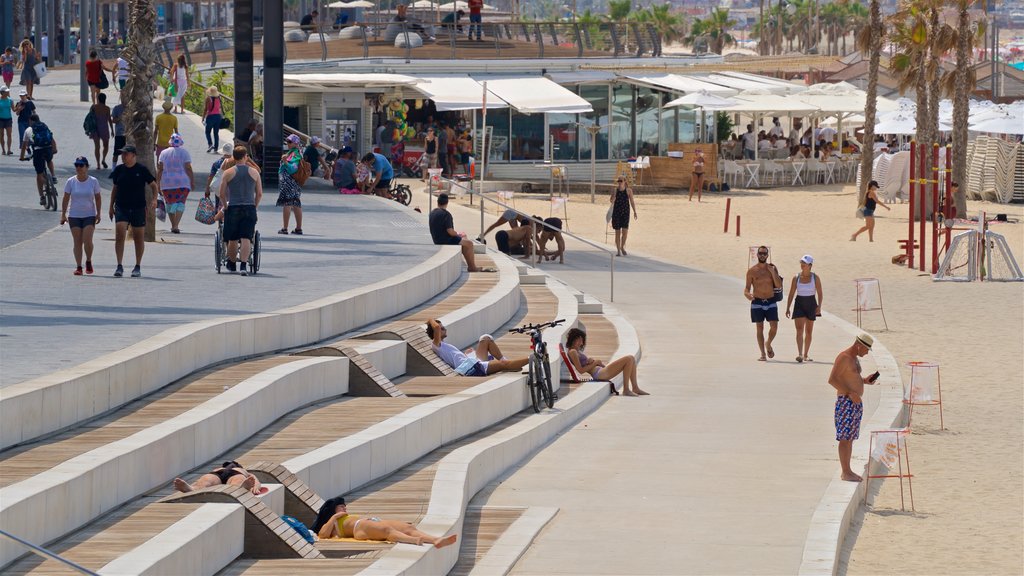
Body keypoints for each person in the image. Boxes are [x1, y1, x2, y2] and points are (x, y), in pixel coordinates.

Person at [828, 333, 878, 482]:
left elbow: (849, 378)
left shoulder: (854, 359)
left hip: (854, 403)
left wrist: (864, 381)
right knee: (845, 438)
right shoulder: (843, 357)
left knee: (850, 438)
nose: (867, 352)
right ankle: (845, 472)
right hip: (846, 402)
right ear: (859, 345)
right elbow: (832, 379)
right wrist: (850, 393)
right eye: (866, 349)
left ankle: (848, 470)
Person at [312, 496, 458, 548]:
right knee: (388, 531)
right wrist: (334, 517)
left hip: (369, 522)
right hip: (360, 528)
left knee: (407, 526)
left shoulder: (346, 516)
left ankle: (436, 540)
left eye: (344, 505)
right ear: (333, 509)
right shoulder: (333, 521)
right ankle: (414, 540)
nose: (344, 507)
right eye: (341, 506)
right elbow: (323, 534)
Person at [108, 145, 158, 277]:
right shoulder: (119, 170)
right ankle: (119, 265)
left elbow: (153, 185)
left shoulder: (141, 170)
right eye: (122, 154)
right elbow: (115, 188)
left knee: (138, 237)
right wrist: (110, 206)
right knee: (119, 234)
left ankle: (137, 266)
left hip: (138, 207)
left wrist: (154, 199)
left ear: (133, 155)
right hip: (121, 207)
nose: (123, 156)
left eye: (126, 154)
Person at [426, 319, 528, 376]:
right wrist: (430, 319)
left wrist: (465, 354)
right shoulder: (436, 345)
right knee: (503, 364)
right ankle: (531, 358)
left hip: (472, 362)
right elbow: (436, 327)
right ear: (436, 333)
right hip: (471, 369)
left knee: (485, 339)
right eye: (442, 328)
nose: (444, 329)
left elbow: (456, 359)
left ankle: (505, 361)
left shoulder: (443, 345)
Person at [218, 146, 263, 275]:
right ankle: (243, 265)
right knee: (246, 237)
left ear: (234, 157)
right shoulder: (254, 172)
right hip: (249, 207)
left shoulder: (228, 172)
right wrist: (255, 206)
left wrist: (225, 206)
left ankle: (232, 263)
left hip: (233, 207)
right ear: (245, 157)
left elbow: (222, 193)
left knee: (232, 238)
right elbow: (259, 193)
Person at [564, 327, 646, 396]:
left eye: (582, 340)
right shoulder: (572, 352)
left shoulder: (576, 351)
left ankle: (635, 388)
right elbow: (581, 370)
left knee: (631, 359)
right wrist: (595, 363)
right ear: (573, 339)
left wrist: (590, 361)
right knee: (629, 358)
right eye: (579, 340)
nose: (581, 343)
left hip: (600, 371)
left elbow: (583, 365)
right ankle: (626, 389)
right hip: (599, 374)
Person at [60, 156, 102, 275]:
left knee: (87, 240)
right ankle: (79, 266)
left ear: (87, 167)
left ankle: (88, 260)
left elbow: (98, 198)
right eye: (77, 165)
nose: (78, 168)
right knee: (77, 241)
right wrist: (63, 214)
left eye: (81, 165)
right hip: (74, 215)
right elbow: (66, 198)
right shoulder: (71, 181)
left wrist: (98, 213)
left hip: (89, 215)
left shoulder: (93, 181)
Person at [744, 245, 783, 362]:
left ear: (767, 255)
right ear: (757, 255)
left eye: (764, 253)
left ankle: (768, 343)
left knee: (774, 327)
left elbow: (778, 285)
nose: (762, 255)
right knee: (759, 328)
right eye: (760, 253)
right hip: (757, 301)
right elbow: (746, 288)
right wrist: (747, 294)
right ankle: (762, 354)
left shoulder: (772, 268)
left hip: (771, 300)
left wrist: (772, 272)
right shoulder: (751, 271)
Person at [785, 254, 823, 363]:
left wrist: (819, 307)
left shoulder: (815, 278)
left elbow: (820, 293)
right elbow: (791, 293)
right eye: (801, 262)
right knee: (799, 330)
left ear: (810, 265)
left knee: (809, 331)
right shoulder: (796, 277)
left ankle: (806, 354)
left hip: (811, 303)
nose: (802, 265)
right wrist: (788, 307)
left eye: (804, 263)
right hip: (799, 303)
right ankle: (800, 354)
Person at [429, 193, 481, 272]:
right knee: (469, 243)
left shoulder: (432, 213)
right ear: (447, 203)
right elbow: (450, 231)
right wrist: (458, 234)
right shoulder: (446, 214)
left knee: (464, 239)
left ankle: (471, 266)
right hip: (445, 240)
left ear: (438, 202)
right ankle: (472, 267)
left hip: (436, 239)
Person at [157, 133, 194, 234]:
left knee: (170, 204)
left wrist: (157, 182)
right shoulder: (185, 152)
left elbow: (160, 168)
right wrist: (192, 180)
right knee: (180, 204)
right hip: (183, 182)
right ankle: (176, 225)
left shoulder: (163, 153)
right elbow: (188, 167)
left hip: (167, 182)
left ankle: (173, 225)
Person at [21, 114, 57, 206]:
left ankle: (42, 197)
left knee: (39, 174)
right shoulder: (44, 126)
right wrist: (54, 149)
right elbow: (51, 138)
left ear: (30, 121)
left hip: (38, 151)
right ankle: (53, 177)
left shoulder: (28, 130)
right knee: (49, 160)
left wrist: (22, 157)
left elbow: (24, 145)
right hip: (48, 148)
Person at [173, 461, 262, 495]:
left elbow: (254, 479)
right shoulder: (241, 470)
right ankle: (192, 489)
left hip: (223, 473)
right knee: (207, 480)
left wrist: (255, 486)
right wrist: (255, 486)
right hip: (219, 474)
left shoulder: (242, 470)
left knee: (206, 480)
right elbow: (255, 479)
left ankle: (240, 487)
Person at [277, 134, 304, 234]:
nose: (287, 143)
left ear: (295, 143)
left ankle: (285, 228)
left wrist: (285, 161)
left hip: (289, 181)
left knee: (287, 203)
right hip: (293, 182)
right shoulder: (294, 152)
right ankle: (298, 228)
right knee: (296, 203)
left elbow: (293, 168)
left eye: (289, 142)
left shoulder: (295, 154)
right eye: (287, 141)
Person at [609, 176, 637, 257]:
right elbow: (611, 200)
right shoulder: (615, 190)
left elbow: (632, 201)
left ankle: (622, 246)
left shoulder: (629, 191)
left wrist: (635, 211)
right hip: (616, 213)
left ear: (625, 181)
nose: (619, 182)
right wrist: (613, 197)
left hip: (625, 213)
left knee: (625, 233)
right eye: (618, 181)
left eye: (621, 181)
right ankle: (618, 251)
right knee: (617, 233)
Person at [88, 91, 113, 169]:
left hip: (95, 129)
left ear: (98, 99)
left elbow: (90, 118)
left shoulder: (93, 107)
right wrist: (112, 130)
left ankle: (98, 164)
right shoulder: (107, 108)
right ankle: (103, 159)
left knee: (97, 147)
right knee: (106, 146)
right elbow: (109, 120)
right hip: (104, 129)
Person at [202, 86, 224, 153]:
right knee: (216, 133)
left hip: (210, 116)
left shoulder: (208, 98)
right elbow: (219, 108)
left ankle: (210, 144)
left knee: (207, 132)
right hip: (218, 117)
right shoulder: (219, 98)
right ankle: (216, 148)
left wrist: (203, 118)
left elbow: (205, 109)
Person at [110, 95, 125, 167]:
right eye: (122, 97)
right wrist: (120, 117)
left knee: (127, 153)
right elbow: (113, 121)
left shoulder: (131, 108)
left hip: (129, 134)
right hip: (119, 134)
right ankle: (113, 168)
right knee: (116, 153)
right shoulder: (117, 108)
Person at [0, 86, 12, 155]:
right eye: (6, 91)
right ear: (2, 92)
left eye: (7, 91)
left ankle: (9, 150)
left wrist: (19, 108)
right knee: (1, 135)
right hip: (1, 119)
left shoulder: (10, 100)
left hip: (8, 119)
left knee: (9, 135)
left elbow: (14, 109)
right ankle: (3, 150)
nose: (7, 92)